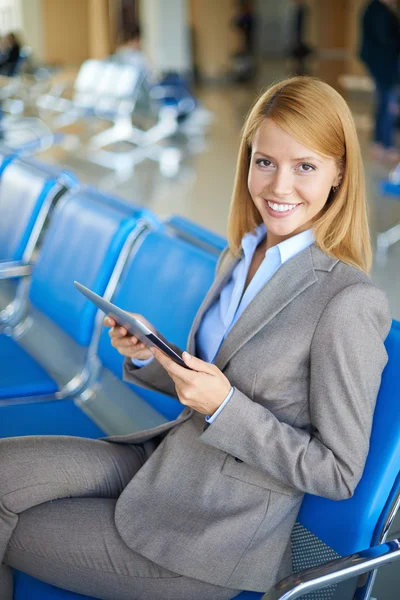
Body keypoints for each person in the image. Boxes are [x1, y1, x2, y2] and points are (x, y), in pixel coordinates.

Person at [0, 76, 391, 600]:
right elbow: (208, 381)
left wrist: (225, 407)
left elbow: (338, 471)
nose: (279, 186)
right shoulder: (240, 256)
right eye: (265, 161)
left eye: (305, 167)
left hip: (211, 534)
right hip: (164, 462)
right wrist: (151, 354)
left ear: (339, 174)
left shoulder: (348, 301)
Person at [360, 0, 400, 162]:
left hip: (381, 63)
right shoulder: (379, 10)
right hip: (383, 65)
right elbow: (385, 38)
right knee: (388, 105)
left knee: (383, 103)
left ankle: (379, 143)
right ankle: (386, 145)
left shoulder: (376, 8)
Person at [288, 0, 313, 75]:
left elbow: (303, 27)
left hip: (302, 39)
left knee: (301, 57)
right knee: (299, 58)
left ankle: (301, 72)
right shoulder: (297, 10)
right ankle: (299, 71)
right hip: (298, 38)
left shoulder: (304, 11)